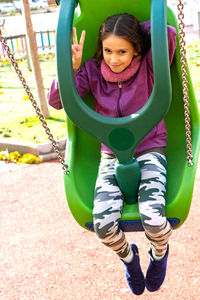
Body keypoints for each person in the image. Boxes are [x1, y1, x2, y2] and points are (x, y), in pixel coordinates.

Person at [48, 14, 177, 295]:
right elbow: (57, 102)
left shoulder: (150, 68)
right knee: (103, 226)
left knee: (154, 221)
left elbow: (167, 32)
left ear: (136, 50)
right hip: (112, 155)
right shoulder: (93, 71)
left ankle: (159, 252)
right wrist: (68, 69)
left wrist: (134, 30)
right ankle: (130, 258)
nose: (114, 59)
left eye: (122, 51)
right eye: (108, 50)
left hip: (149, 149)